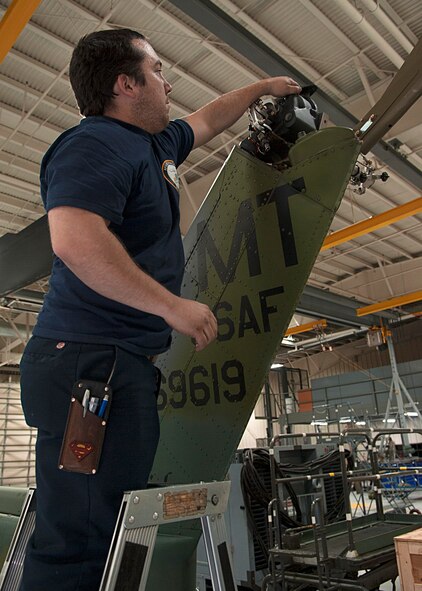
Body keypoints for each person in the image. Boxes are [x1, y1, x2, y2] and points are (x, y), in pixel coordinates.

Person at [19, 28, 301, 591]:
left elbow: (209, 118)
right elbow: (73, 239)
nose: (168, 82)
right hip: (88, 366)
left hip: (119, 366)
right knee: (79, 540)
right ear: (127, 84)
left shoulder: (154, 145)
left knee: (109, 529)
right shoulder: (93, 144)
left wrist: (264, 88)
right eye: (158, 70)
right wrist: (171, 306)